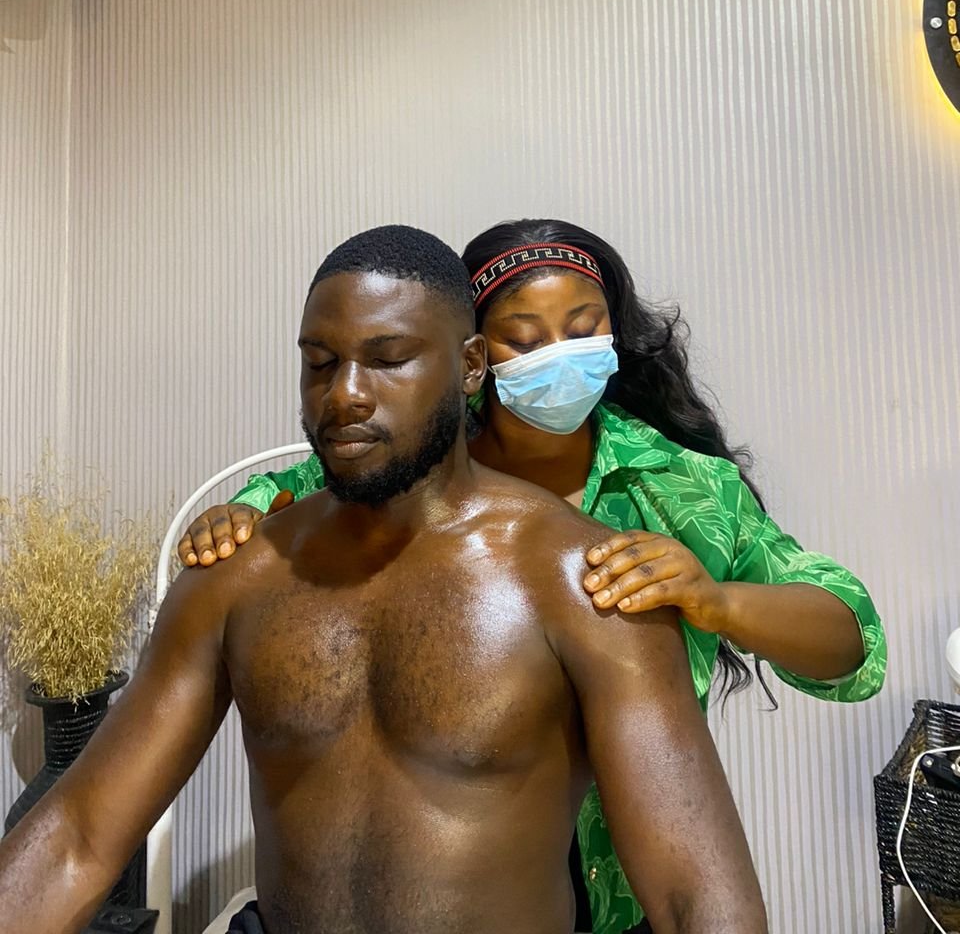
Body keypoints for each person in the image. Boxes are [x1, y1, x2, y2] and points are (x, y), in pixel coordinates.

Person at [0, 226, 769, 934]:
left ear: (470, 367)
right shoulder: (237, 579)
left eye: (389, 359)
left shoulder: (582, 580)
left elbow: (693, 894)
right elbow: (79, 838)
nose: (345, 395)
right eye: (320, 362)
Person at [179, 218, 887, 934]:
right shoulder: (403, 467)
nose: (559, 356)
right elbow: (268, 515)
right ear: (472, 358)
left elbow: (853, 644)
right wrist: (232, 523)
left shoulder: (681, 488)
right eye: (524, 339)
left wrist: (717, 601)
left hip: (625, 896)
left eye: (583, 329)